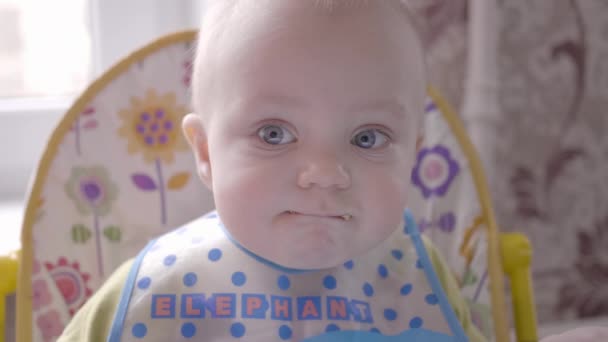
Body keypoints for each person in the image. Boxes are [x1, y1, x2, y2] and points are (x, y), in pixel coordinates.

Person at [58, 1, 486, 341]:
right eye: (274, 133)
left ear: (412, 155)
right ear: (206, 153)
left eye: (368, 138)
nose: (325, 173)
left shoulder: (420, 274)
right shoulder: (151, 294)